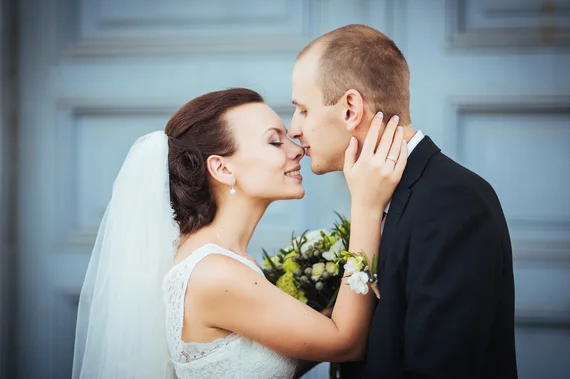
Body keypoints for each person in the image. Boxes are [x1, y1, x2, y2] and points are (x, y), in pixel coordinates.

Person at [71, 88, 409, 379]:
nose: (296, 150)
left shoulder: (222, 258)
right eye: (275, 141)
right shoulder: (214, 273)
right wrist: (365, 206)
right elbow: (346, 343)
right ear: (222, 168)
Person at [288, 24, 519, 378]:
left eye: (303, 109)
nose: (293, 129)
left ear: (350, 108)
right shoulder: (377, 196)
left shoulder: (454, 204)